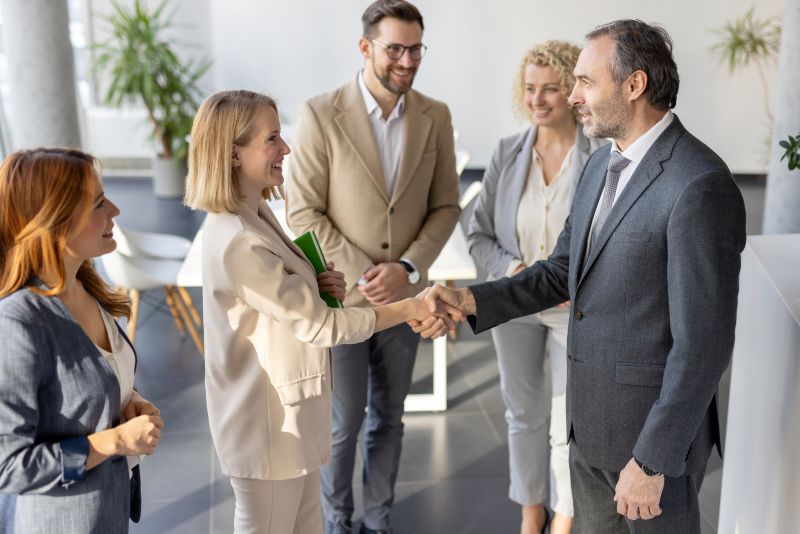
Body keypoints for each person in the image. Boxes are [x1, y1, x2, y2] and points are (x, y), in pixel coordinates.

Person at [417, 19, 746, 534]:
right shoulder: (599, 167)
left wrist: (653, 460)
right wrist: (466, 301)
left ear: (634, 85)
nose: (573, 97)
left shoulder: (699, 184)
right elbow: (561, 273)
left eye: (585, 82)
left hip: (649, 449)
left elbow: (703, 344)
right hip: (588, 432)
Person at [184, 90, 450, 534]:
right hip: (268, 428)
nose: (285, 148)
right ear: (233, 155)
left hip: (288, 421)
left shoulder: (256, 213)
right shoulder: (238, 239)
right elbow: (320, 326)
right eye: (272, 139)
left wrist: (313, 283)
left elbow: (279, 302)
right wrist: (407, 307)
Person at [286, 1, 460, 532]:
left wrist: (406, 268)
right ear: (366, 47)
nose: (407, 61)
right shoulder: (319, 113)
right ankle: (337, 521)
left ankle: (378, 519)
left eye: (415, 49)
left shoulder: (436, 116)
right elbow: (302, 211)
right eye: (395, 49)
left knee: (390, 418)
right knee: (343, 423)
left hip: (405, 298)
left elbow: (446, 205)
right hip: (344, 301)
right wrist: (368, 271)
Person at [468, 40, 606, 534]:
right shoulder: (508, 153)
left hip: (575, 308)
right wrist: (513, 271)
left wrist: (573, 278)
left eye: (551, 88)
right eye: (530, 89)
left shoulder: (600, 157)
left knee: (565, 421)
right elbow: (478, 233)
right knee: (522, 413)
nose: (538, 99)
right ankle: (531, 511)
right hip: (515, 304)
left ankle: (565, 516)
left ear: (573, 90)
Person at [0, 148, 164, 533]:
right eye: (98, 203)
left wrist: (131, 400)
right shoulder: (18, 323)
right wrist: (114, 442)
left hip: (107, 514)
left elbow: (93, 378)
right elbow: (9, 467)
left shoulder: (84, 284)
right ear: (54, 223)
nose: (116, 211)